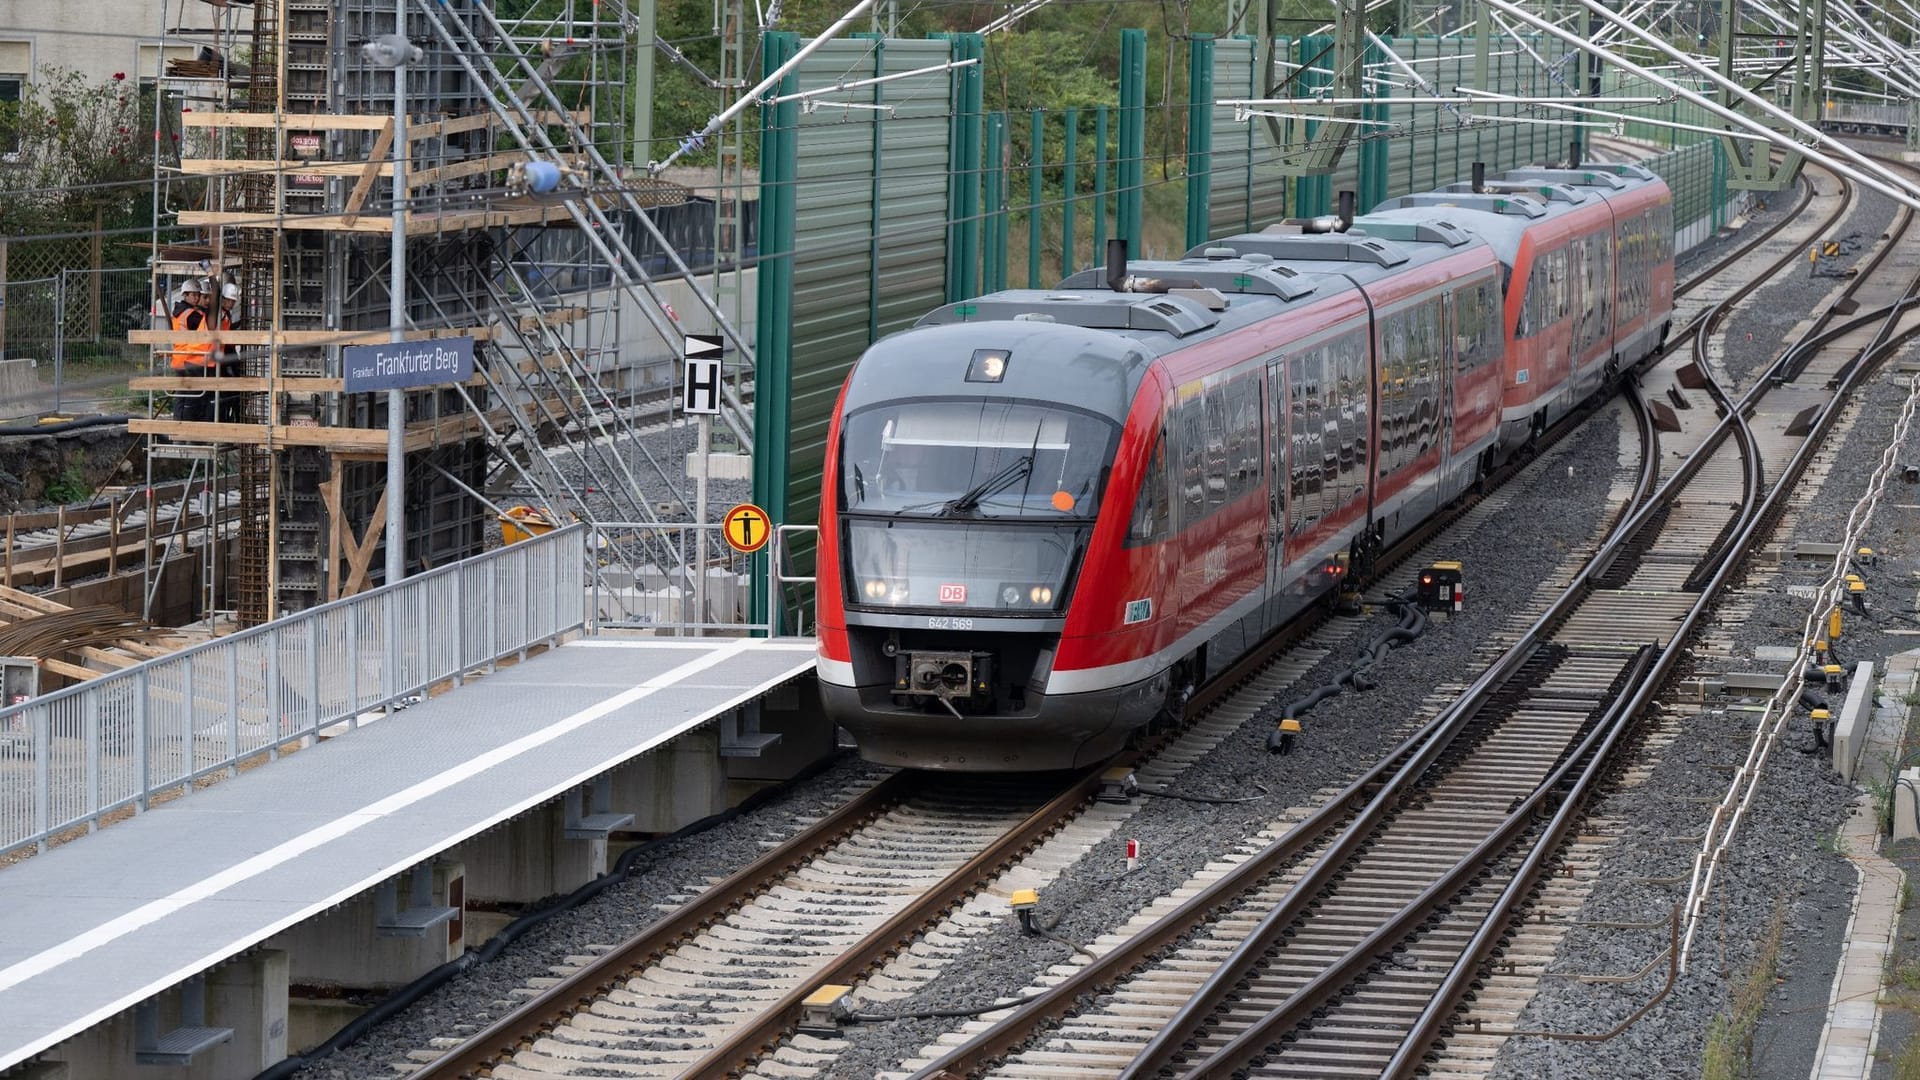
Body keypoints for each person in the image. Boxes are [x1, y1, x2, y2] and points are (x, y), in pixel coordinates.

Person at [169, 280, 215, 422]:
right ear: (185, 295)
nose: (196, 298)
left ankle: (179, 426)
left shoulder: (181, 311)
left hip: (180, 358)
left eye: (197, 295)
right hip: (187, 358)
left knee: (183, 396)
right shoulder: (190, 314)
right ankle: (184, 427)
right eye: (193, 295)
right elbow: (205, 323)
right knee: (190, 397)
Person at [215, 282, 245, 422]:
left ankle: (235, 419)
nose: (231, 304)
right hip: (224, 355)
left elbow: (227, 330)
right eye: (229, 301)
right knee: (228, 392)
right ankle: (228, 420)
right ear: (223, 299)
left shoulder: (226, 314)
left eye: (233, 301)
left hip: (229, 354)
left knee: (236, 390)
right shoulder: (219, 314)